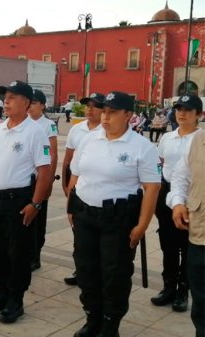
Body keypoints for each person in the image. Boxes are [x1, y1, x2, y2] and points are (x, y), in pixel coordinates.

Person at [67, 91, 161, 337]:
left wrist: (142, 225)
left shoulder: (142, 147)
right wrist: (71, 206)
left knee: (114, 275)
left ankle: (110, 324)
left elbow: (152, 188)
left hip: (117, 221)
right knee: (86, 270)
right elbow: (75, 173)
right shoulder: (89, 139)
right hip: (85, 216)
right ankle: (93, 318)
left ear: (128, 115)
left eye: (112, 112)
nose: (105, 117)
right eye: (104, 111)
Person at [0, 81, 51, 324]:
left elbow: (44, 171)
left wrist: (36, 204)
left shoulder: (35, 132)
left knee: (17, 252)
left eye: (12, 97)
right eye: (5, 97)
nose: (6, 101)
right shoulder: (0, 128)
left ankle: (15, 300)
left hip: (18, 200)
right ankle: (1, 291)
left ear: (27, 102)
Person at [152, 94, 202, 313]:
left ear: (199, 115)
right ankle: (168, 286)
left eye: (187, 110)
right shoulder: (167, 138)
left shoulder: (200, 139)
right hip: (167, 192)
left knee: (187, 246)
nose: (181, 113)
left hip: (192, 198)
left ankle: (183, 290)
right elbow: (161, 163)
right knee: (167, 243)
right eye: (178, 109)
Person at [167, 99, 204, 337]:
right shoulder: (198, 141)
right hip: (200, 233)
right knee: (201, 298)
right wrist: (178, 201)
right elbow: (181, 175)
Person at [61, 92, 104, 286]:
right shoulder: (77, 130)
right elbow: (68, 160)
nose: (89, 109)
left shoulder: (107, 130)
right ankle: (81, 270)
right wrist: (65, 185)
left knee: (97, 238)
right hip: (77, 185)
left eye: (94, 106)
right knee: (79, 234)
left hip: (97, 190)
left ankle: (97, 272)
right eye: (87, 105)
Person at [28, 89, 58, 271]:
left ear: (42, 105)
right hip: (25, 179)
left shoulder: (48, 125)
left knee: (38, 219)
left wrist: (48, 181)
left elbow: (53, 155)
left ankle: (35, 254)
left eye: (33, 103)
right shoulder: (20, 123)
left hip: (40, 179)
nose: (30, 106)